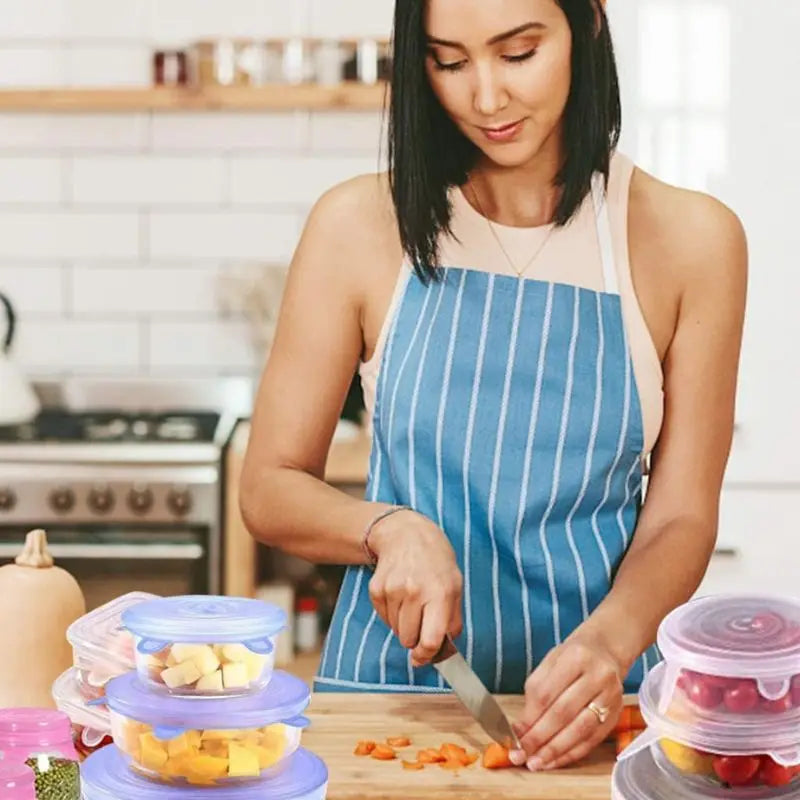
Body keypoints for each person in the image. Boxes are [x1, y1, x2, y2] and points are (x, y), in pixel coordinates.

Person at [239, 0, 747, 772]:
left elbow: (681, 517)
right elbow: (268, 488)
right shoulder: (357, 225)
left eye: (517, 53)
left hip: (600, 711)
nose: (485, 98)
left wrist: (610, 643)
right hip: (386, 703)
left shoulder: (692, 241)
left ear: (591, 25)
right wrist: (388, 529)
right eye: (449, 61)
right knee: (49, 780)